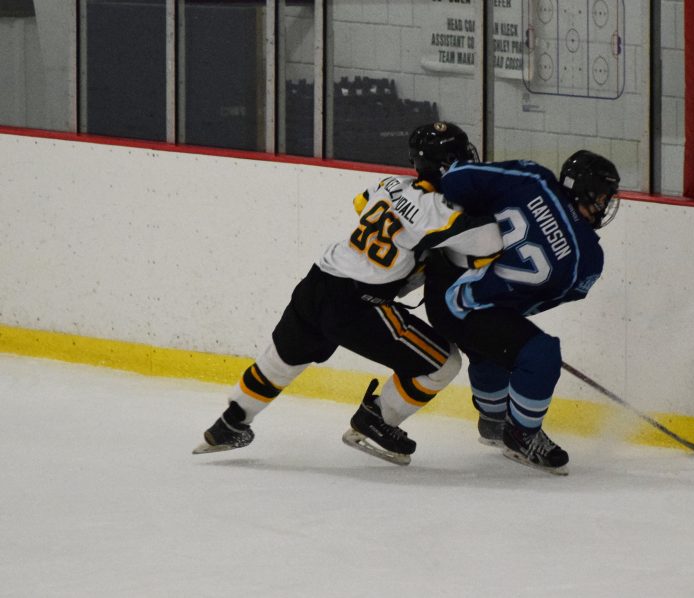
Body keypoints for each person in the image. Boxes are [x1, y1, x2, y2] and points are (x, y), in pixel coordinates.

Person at [192, 122, 502, 465]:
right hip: (358, 305)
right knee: (444, 363)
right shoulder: (443, 213)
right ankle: (377, 419)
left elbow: (362, 204)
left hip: (317, 282)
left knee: (283, 358)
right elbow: (488, 245)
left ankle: (231, 422)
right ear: (449, 165)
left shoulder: (388, 184)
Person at [422, 150, 620, 475]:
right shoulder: (589, 258)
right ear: (585, 189)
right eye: (602, 196)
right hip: (474, 309)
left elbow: (456, 179)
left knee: (493, 349)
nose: (605, 204)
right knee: (540, 353)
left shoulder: (533, 178)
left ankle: (493, 422)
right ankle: (522, 434)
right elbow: (536, 302)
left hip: (441, 291)